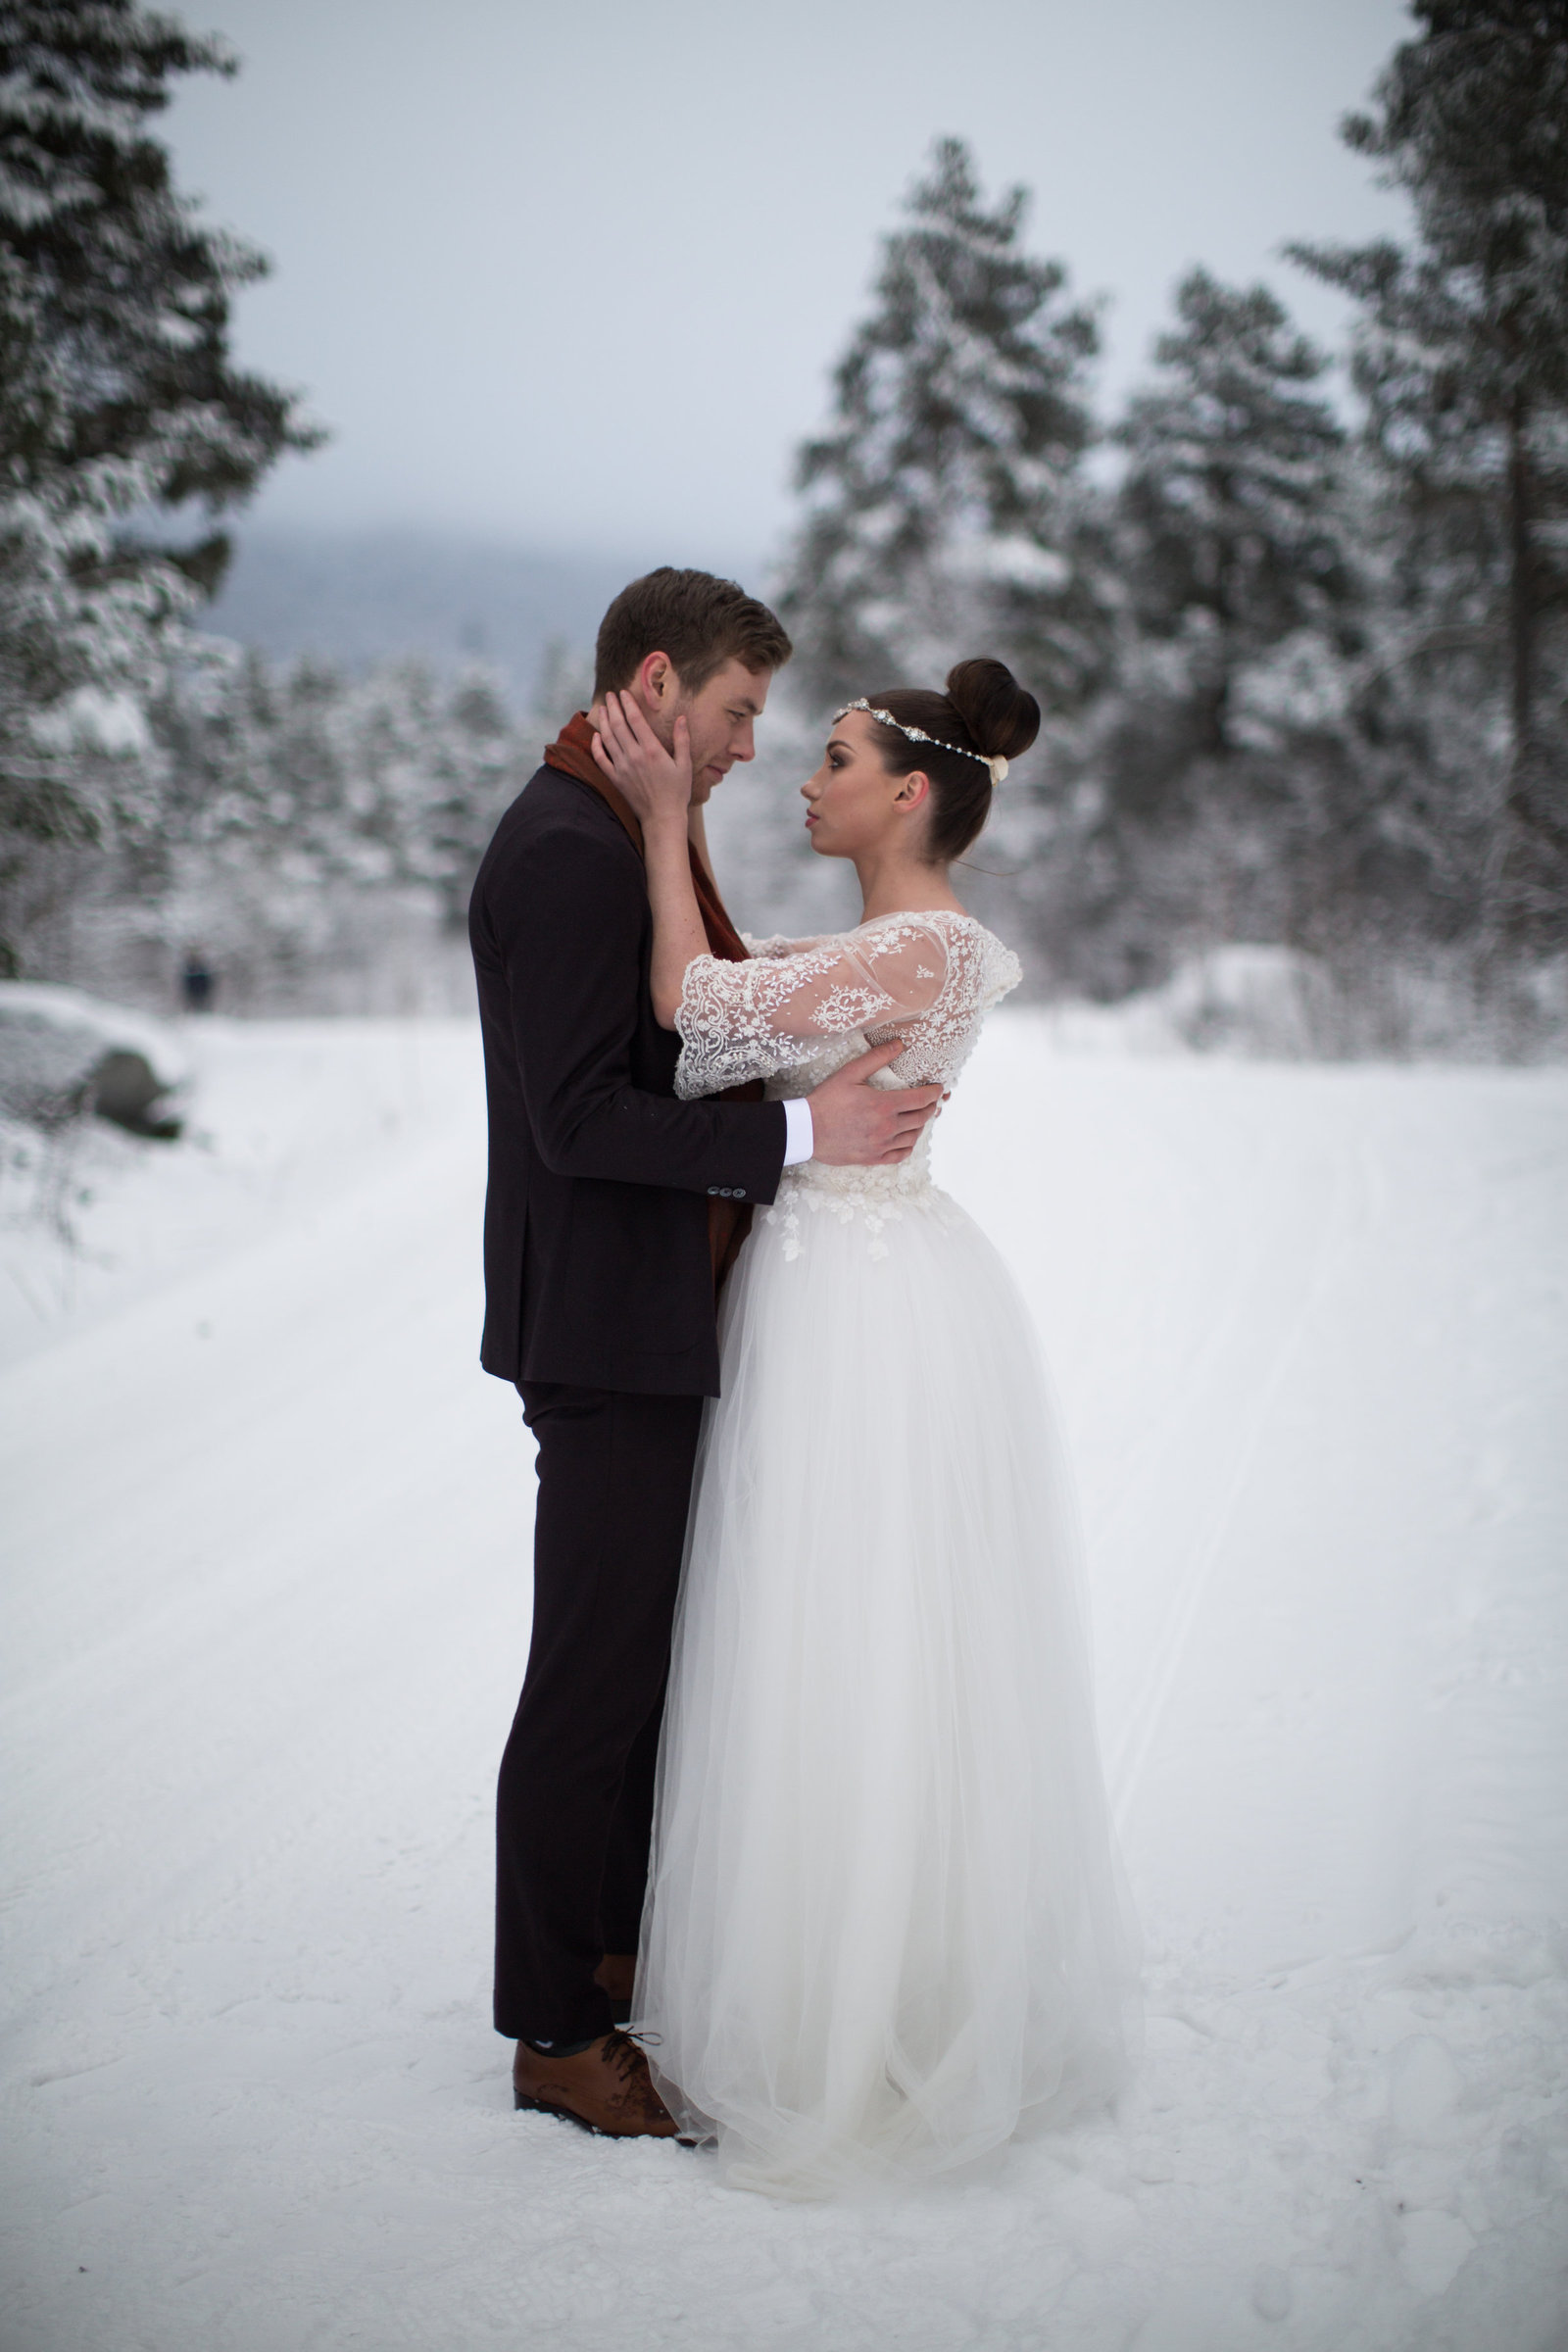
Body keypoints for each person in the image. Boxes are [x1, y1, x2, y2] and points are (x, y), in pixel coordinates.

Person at [591, 657, 1142, 2195]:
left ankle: (859, 2010)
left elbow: (699, 1014)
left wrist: (652, 818)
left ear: (908, 794)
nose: (806, 777)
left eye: (830, 756)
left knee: (852, 1632)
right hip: (846, 1264)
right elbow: (742, 978)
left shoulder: (923, 950)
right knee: (822, 1628)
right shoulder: (887, 943)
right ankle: (840, 1962)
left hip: (864, 1293)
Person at [467, 568, 946, 2138]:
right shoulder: (562, 852)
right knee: (590, 1686)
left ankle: (607, 1960)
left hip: (651, 1316)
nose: (751, 745)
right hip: (604, 1326)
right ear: (662, 685)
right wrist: (805, 1129)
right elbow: (581, 1118)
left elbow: (680, 1037)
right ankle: (551, 2030)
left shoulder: (617, 830)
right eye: (740, 713)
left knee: (641, 1674)